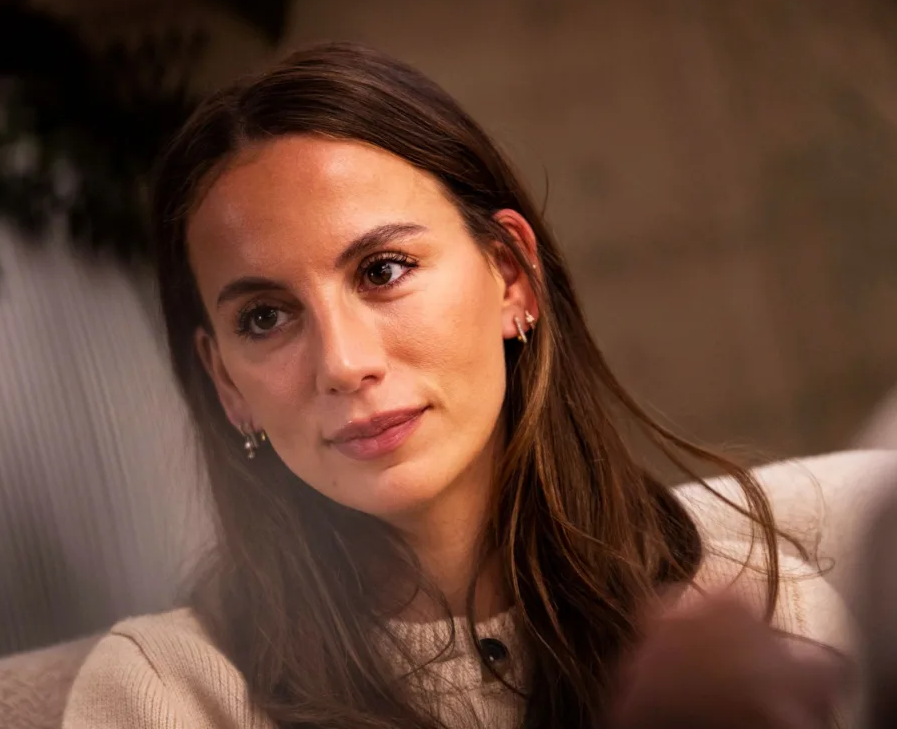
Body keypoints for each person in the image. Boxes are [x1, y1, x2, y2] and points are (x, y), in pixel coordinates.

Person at [63, 42, 853, 729]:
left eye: (383, 270)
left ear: (511, 276)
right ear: (226, 384)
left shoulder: (761, 611)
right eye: (265, 318)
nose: (343, 363)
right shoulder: (164, 695)